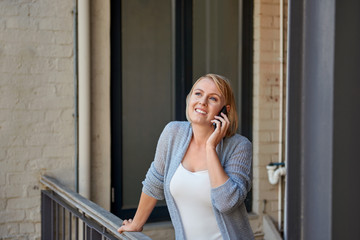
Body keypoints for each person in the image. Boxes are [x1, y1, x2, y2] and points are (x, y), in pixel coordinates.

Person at [118, 73, 254, 240]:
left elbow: (227, 202)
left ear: (225, 110)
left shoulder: (240, 147)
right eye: (198, 94)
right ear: (190, 99)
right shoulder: (172, 133)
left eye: (213, 98)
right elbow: (155, 181)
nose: (202, 102)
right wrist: (137, 223)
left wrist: (210, 148)